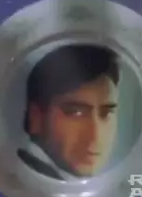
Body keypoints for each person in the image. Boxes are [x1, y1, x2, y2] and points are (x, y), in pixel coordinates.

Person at [17, 44, 120, 181]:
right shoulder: (22, 183)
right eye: (75, 112)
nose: (95, 135)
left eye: (106, 114)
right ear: (36, 118)